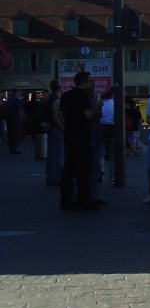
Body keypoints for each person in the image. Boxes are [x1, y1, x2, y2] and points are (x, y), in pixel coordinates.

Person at [59, 71, 100, 210]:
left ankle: (66, 198)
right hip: (82, 137)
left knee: (69, 167)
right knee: (83, 169)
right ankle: (83, 200)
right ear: (82, 82)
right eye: (90, 82)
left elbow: (61, 115)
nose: (92, 84)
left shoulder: (65, 96)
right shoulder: (83, 96)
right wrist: (98, 109)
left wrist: (68, 127)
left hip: (69, 136)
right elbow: (88, 115)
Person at [46, 79, 64, 186]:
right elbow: (55, 116)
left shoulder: (49, 98)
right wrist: (62, 127)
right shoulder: (56, 100)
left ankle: (50, 177)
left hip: (50, 128)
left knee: (51, 153)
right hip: (56, 129)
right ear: (58, 88)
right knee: (58, 153)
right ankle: (57, 177)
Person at [4, 90, 24, 156]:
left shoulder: (9, 99)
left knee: (10, 134)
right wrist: (21, 119)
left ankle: (11, 148)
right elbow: (19, 110)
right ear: (17, 93)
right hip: (15, 119)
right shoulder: (17, 100)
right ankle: (14, 148)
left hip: (8, 119)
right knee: (15, 134)